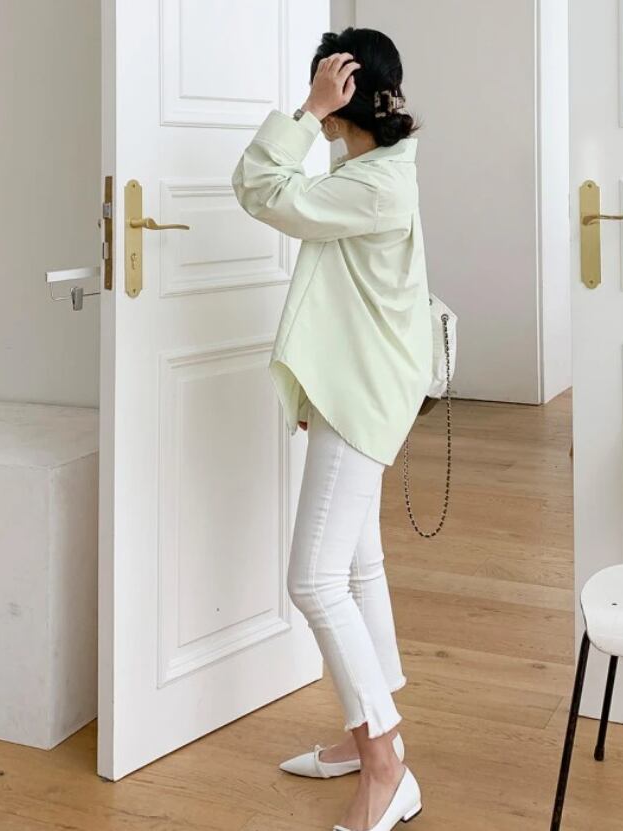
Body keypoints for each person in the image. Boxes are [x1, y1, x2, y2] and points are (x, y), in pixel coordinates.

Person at [232, 27, 432, 831]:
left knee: (313, 581)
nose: (317, 98)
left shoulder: (371, 186)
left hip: (363, 393)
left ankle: (386, 767)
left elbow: (258, 188)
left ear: (343, 93)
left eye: (325, 85)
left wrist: (305, 111)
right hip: (358, 382)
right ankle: (369, 737)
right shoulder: (373, 170)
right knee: (355, 566)